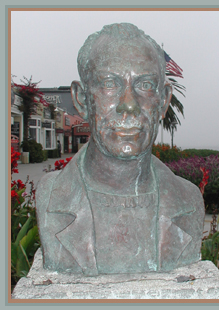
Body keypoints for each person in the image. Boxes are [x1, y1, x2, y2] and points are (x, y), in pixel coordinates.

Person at [36, 23, 205, 276]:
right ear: (82, 99)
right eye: (109, 83)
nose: (129, 105)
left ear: (163, 102)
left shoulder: (189, 200)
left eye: (145, 85)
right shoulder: (51, 196)